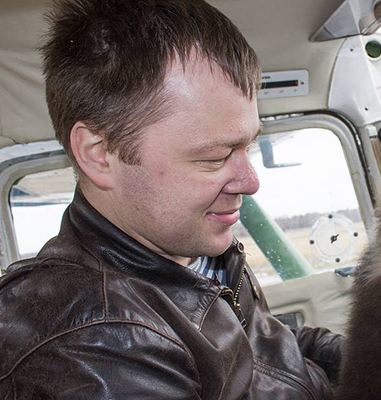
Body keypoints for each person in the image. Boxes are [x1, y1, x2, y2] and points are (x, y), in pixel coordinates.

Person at [0, 0, 342, 398]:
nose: (250, 182)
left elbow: (271, 351)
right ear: (98, 154)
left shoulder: (194, 250)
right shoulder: (92, 347)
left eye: (249, 145)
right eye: (214, 157)